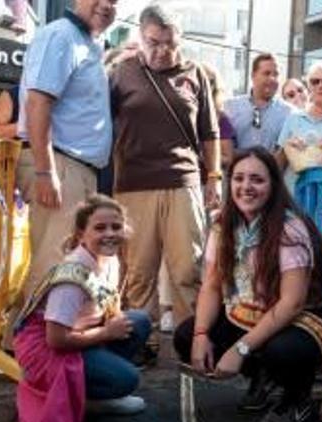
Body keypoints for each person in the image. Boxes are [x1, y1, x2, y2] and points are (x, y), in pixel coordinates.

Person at [173, 147, 322, 422]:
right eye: (239, 178)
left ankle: (297, 397)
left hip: (312, 315)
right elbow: (213, 285)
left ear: (274, 186)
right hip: (255, 310)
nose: (246, 187)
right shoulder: (223, 225)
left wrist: (240, 349)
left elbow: (292, 303)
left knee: (282, 351)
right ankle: (263, 377)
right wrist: (201, 335)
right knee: (186, 336)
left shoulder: (289, 228)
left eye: (257, 179)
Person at [109, 4, 221, 352]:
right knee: (138, 271)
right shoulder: (121, 72)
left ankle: (192, 340)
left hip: (183, 180)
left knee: (188, 268)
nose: (161, 51)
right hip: (133, 182)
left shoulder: (196, 73)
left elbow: (210, 131)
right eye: (153, 42)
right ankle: (143, 343)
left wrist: (213, 177)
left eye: (168, 43)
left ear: (180, 40)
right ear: (140, 37)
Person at [11, 194, 151, 422]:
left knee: (139, 321)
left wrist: (108, 327)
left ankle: (95, 385)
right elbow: (55, 339)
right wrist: (107, 332)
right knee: (127, 379)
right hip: (48, 349)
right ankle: (90, 398)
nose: (110, 233)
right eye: (100, 228)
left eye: (116, 227)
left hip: (80, 332)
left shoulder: (109, 259)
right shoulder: (71, 276)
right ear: (81, 233)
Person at [15, 0, 117, 305]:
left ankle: (24, 343)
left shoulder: (89, 44)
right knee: (54, 260)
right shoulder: (60, 36)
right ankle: (32, 347)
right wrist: (46, 171)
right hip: (58, 163)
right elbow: (38, 103)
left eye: (115, 1)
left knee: (65, 261)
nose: (107, 5)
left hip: (78, 167)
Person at [275, 61, 322, 190]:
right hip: (294, 196)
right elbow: (279, 164)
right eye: (315, 81)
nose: (320, 86)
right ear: (309, 85)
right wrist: (288, 148)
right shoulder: (294, 117)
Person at [224, 53, 292, 153]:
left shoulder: (289, 113)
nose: (272, 79)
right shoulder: (230, 107)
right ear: (253, 75)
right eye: (267, 73)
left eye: (276, 74)